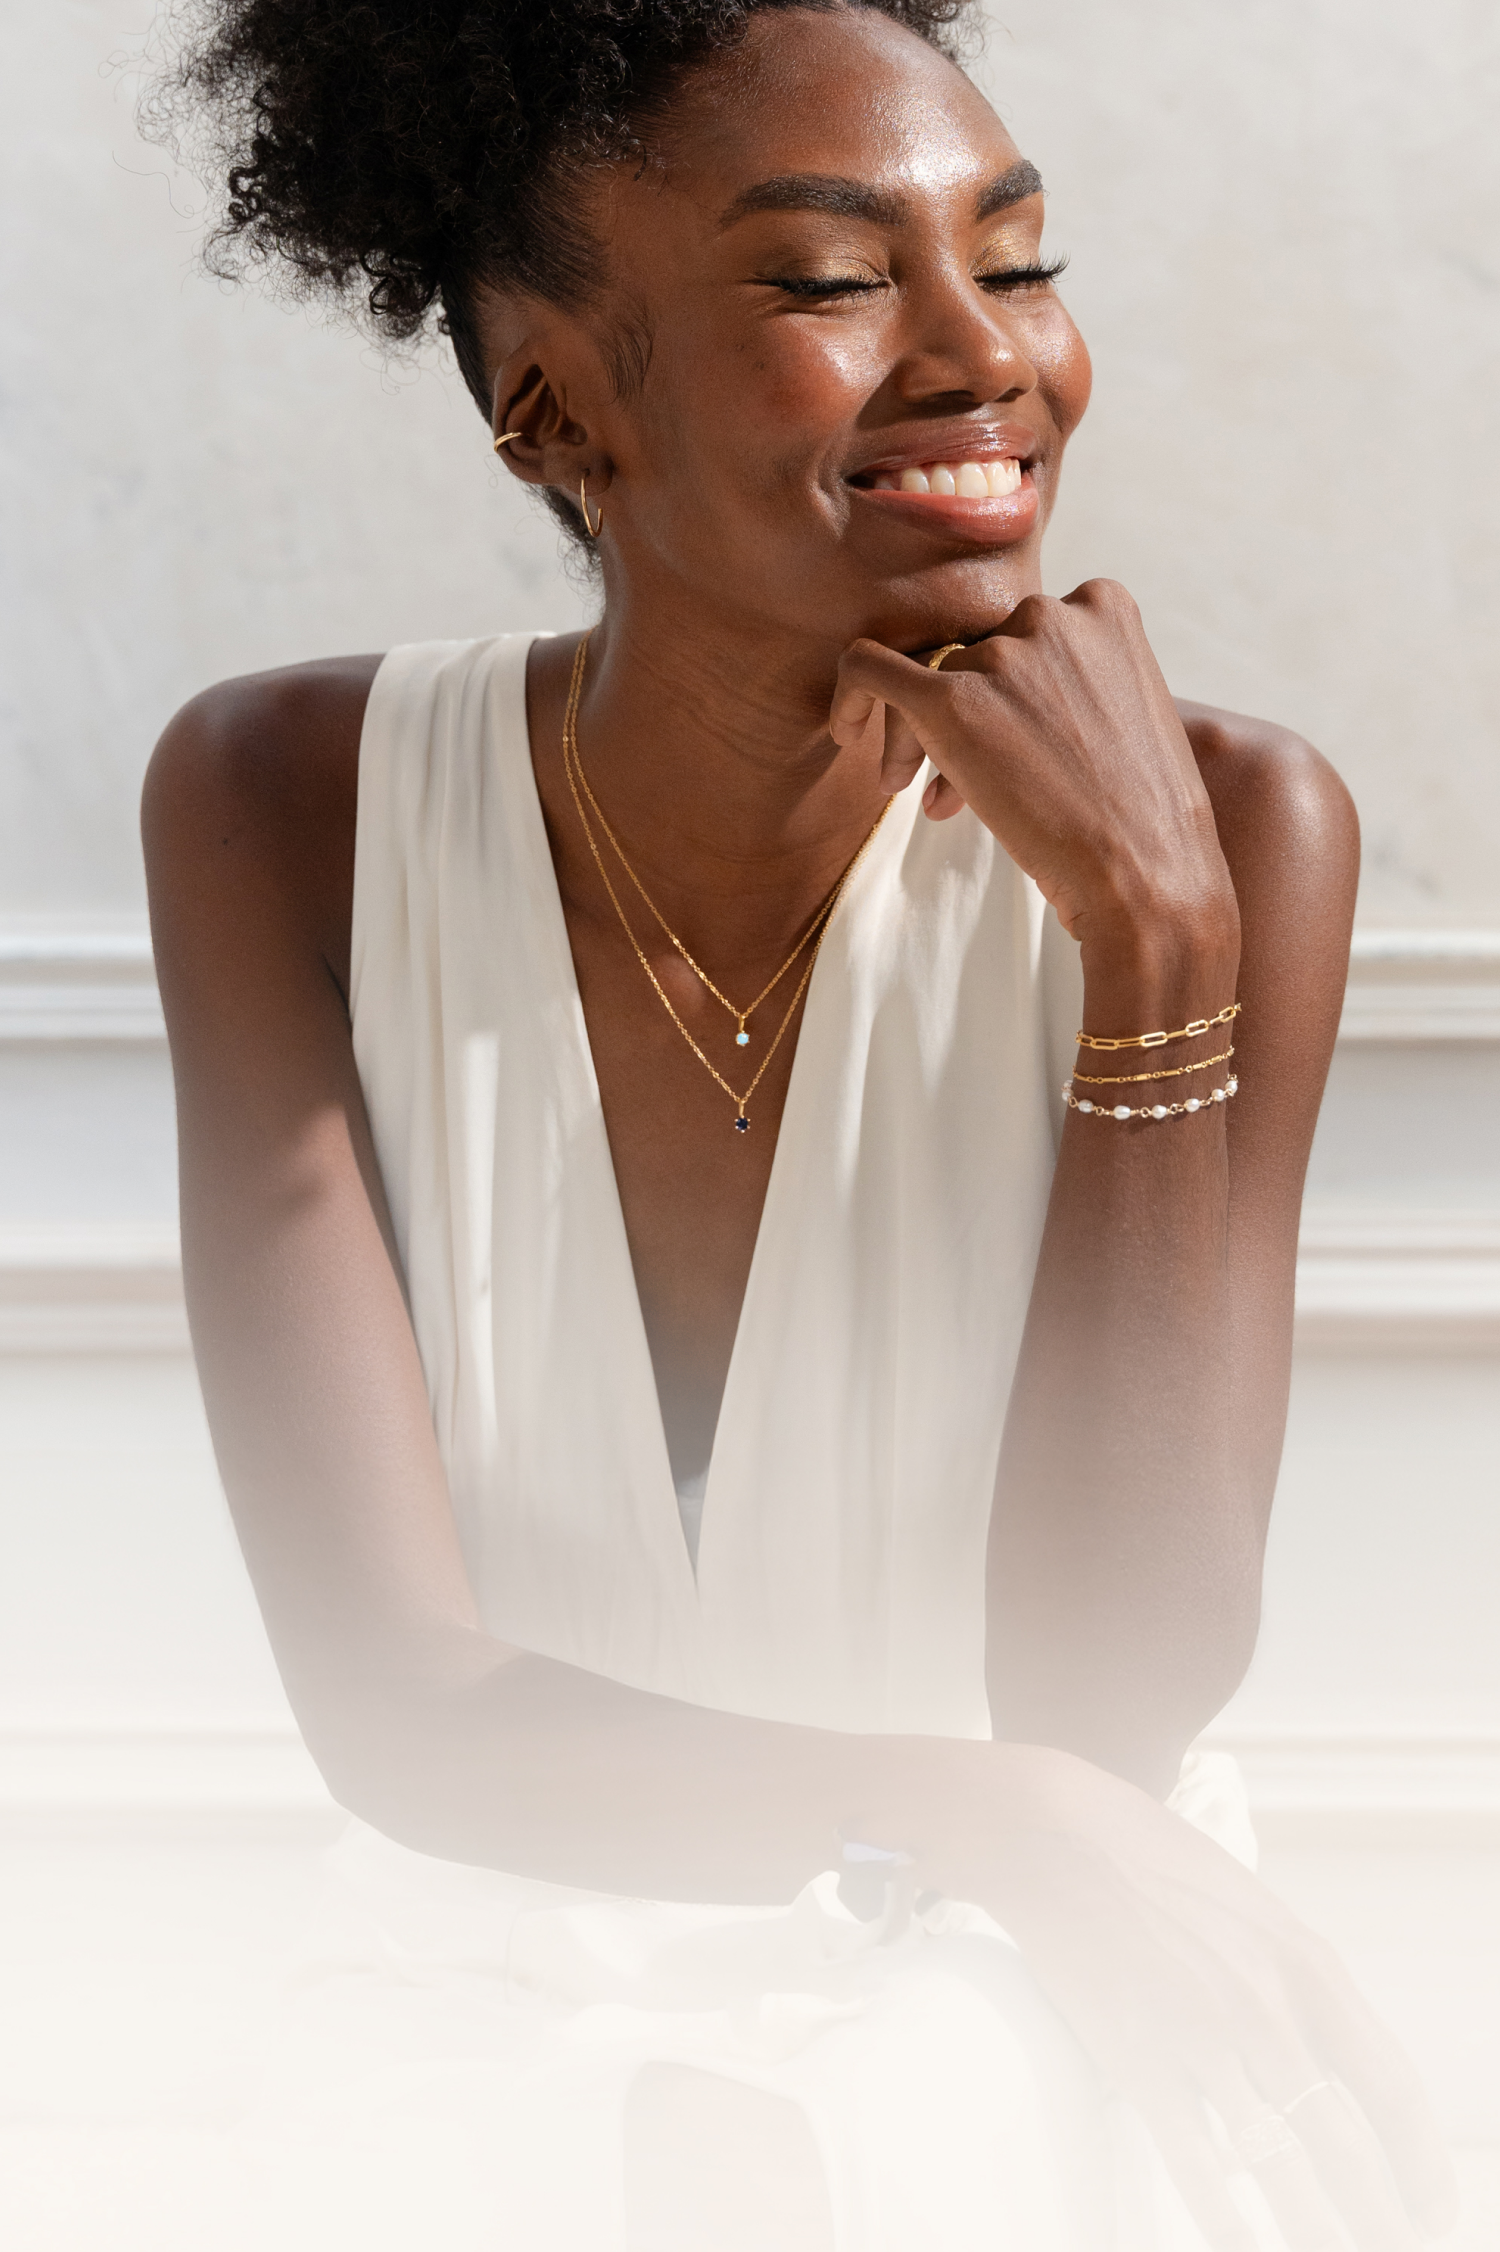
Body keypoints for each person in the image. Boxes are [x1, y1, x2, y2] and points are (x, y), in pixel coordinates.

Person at [141, 3, 1455, 2246]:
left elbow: (1115, 1686)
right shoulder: (285, 808)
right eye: (837, 281)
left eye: (1019, 261)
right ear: (556, 399)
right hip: (503, 1962)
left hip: (1034, 1991)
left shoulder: (1236, 827)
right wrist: (993, 1810)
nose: (983, 356)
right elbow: (399, 1709)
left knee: (905, 2121)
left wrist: (1151, 952)